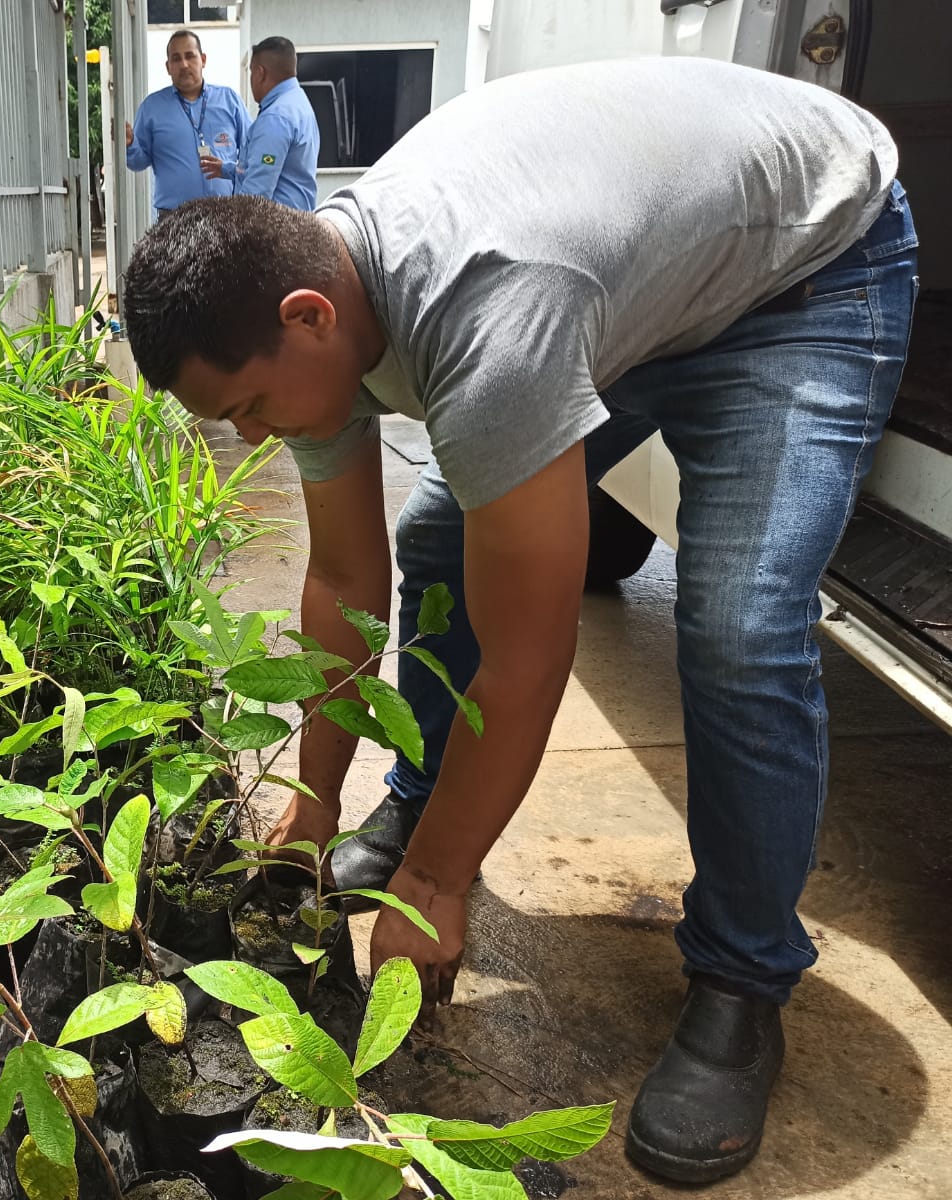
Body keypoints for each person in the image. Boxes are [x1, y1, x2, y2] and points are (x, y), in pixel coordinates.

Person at [121, 57, 914, 1185]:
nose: (248, 438)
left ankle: (743, 979)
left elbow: (529, 652)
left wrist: (442, 886)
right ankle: (417, 800)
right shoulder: (314, 311)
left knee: (739, 627)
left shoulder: (486, 314)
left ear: (308, 316)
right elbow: (344, 585)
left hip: (805, 272)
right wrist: (308, 812)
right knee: (436, 541)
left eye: (248, 407)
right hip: (632, 286)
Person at [125, 29, 249, 219]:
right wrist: (129, 143)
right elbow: (137, 162)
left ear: (203, 60)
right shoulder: (152, 107)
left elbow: (251, 151)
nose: (184, 64)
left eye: (190, 56)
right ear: (168, 67)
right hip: (173, 220)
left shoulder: (229, 101)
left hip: (225, 216)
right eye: (176, 58)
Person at [236, 36, 321, 211]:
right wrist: (226, 169)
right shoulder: (298, 102)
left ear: (260, 73)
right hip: (299, 223)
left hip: (277, 232)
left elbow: (254, 197)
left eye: (251, 72)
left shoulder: (275, 118)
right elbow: (277, 168)